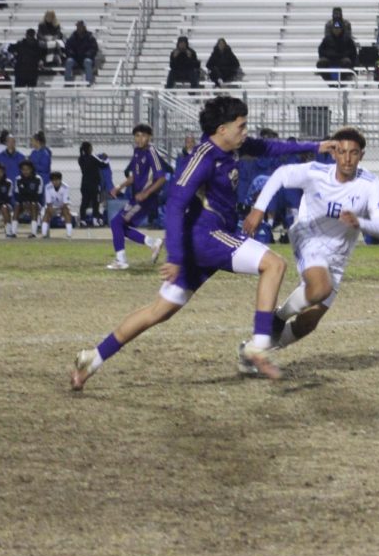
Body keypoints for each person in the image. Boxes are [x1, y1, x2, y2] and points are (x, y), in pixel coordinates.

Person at [69, 95, 338, 390]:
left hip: (205, 240)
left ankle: (92, 360)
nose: (245, 131)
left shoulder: (233, 146)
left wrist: (315, 146)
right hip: (204, 236)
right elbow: (173, 205)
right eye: (241, 125)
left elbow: (269, 146)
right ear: (221, 129)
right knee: (273, 264)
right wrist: (174, 256)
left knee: (158, 311)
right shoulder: (202, 158)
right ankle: (259, 346)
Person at [237, 127, 379, 371]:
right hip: (308, 235)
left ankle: (254, 352)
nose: (347, 158)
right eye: (342, 152)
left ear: (362, 156)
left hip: (338, 255)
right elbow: (280, 175)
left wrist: (361, 222)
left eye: (354, 153)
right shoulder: (316, 172)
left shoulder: (370, 182)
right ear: (334, 153)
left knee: (309, 322)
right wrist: (259, 208)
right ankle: (278, 317)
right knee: (320, 287)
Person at [106, 123, 170, 270]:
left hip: (146, 198)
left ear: (149, 137)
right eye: (137, 136)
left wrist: (146, 193)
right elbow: (134, 176)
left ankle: (121, 260)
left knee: (116, 223)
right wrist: (119, 187)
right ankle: (153, 243)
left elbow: (161, 178)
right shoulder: (137, 152)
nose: (140, 139)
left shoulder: (151, 153)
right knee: (121, 226)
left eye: (143, 135)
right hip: (137, 197)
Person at [14, 159, 45, 238]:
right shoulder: (18, 179)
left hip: (35, 202)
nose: (25, 171)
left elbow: (39, 195)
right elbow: (17, 194)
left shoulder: (38, 179)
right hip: (22, 203)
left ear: (31, 169)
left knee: (34, 205)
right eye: (23, 169)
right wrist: (24, 202)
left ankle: (33, 233)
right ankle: (13, 232)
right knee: (17, 206)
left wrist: (29, 202)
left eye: (27, 169)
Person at [77, 141, 105, 227]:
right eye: (91, 147)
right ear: (89, 148)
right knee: (95, 202)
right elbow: (103, 164)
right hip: (94, 184)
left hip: (84, 184)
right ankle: (95, 220)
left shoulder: (80, 158)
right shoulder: (92, 158)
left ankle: (82, 220)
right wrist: (105, 157)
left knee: (84, 202)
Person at [42, 172, 75, 239]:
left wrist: (61, 211)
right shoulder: (47, 187)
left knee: (67, 213)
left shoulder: (66, 187)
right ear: (51, 181)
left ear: (60, 180)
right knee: (47, 212)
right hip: (52, 206)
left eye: (57, 180)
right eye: (53, 180)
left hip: (63, 206)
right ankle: (44, 234)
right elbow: (48, 202)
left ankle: (69, 234)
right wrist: (51, 210)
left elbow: (65, 202)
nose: (55, 182)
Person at [63, 20, 98, 85]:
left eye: (80, 26)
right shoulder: (73, 37)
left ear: (84, 27)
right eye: (78, 26)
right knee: (69, 61)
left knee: (87, 61)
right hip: (75, 59)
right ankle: (67, 82)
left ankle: (89, 82)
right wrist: (71, 54)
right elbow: (67, 47)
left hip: (86, 58)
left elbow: (94, 49)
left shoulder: (90, 37)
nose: (79, 28)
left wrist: (88, 55)